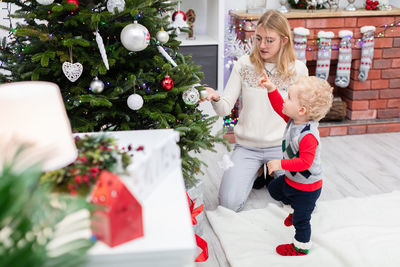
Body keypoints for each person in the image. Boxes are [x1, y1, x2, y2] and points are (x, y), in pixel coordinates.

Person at [203, 10, 308, 212]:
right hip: (247, 147)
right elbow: (225, 109)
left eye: (269, 40)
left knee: (297, 201)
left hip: (282, 147)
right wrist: (215, 97)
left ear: (284, 40)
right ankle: (260, 172)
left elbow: (302, 115)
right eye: (258, 38)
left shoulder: (299, 70)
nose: (261, 45)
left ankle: (269, 175)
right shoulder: (244, 65)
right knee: (228, 205)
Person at [258, 74, 333, 256]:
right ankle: (294, 208)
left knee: (302, 220)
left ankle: (301, 246)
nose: (285, 100)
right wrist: (271, 88)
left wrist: (280, 163)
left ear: (301, 110)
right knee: (275, 188)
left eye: (289, 98)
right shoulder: (294, 121)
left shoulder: (308, 136)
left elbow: (305, 162)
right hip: (293, 180)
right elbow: (278, 106)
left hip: (307, 188)